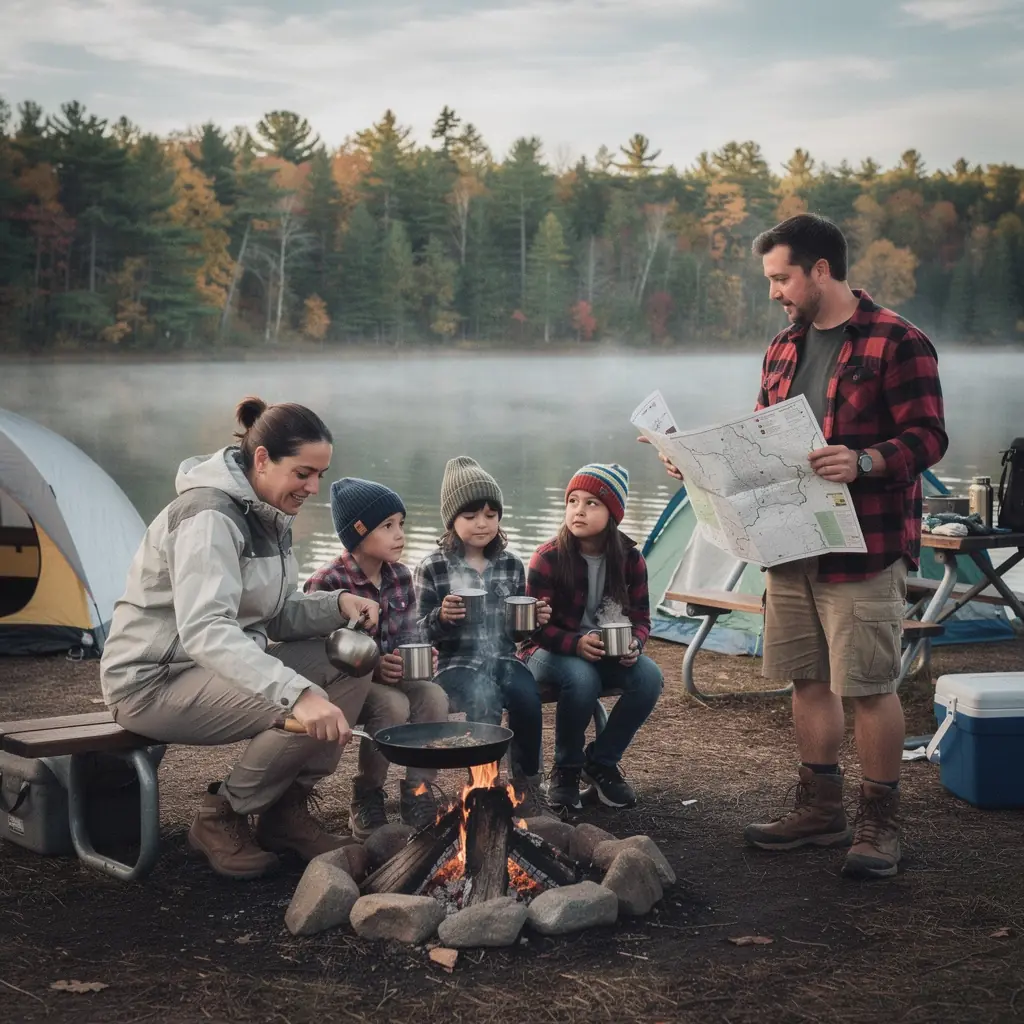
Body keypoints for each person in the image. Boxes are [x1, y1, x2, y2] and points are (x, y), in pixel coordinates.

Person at [649, 213, 947, 878]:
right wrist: (696, 463)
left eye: (782, 277)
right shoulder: (782, 348)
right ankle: (820, 810)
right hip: (788, 543)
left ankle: (879, 824)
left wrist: (864, 462)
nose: (775, 291)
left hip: (863, 547)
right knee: (807, 679)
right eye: (770, 279)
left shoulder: (899, 341)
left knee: (869, 686)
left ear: (820, 269)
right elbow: (761, 443)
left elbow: (930, 437)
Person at [100, 397, 380, 880]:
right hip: (153, 681)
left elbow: (270, 613)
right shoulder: (208, 516)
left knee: (352, 664)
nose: (314, 487)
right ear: (263, 460)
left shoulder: (269, 513)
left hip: (212, 672)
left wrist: (335, 605)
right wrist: (297, 693)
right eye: (304, 473)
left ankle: (285, 812)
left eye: (321, 474)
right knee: (298, 701)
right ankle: (220, 815)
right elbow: (207, 630)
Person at [304, 478, 449, 839]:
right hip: (348, 685)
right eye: (388, 526)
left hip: (389, 674)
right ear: (358, 532)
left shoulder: (399, 576)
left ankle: (418, 790)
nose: (399, 534)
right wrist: (375, 666)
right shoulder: (326, 583)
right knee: (393, 706)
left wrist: (418, 655)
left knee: (434, 696)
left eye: (401, 524)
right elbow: (317, 654)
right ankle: (367, 793)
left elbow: (409, 633)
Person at [523, 463, 663, 812]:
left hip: (604, 653)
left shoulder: (630, 559)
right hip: (546, 651)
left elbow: (641, 617)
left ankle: (600, 762)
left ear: (613, 513)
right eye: (572, 501)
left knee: (649, 677)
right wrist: (575, 644)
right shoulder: (548, 557)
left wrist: (635, 643)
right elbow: (532, 629)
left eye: (591, 503)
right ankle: (566, 770)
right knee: (580, 677)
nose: (578, 511)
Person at [414, 456, 550, 813]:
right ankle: (480, 786)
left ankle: (526, 786)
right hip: (454, 664)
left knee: (526, 699)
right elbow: (416, 630)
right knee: (484, 699)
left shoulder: (511, 564)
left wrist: (532, 620)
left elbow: (517, 636)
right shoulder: (432, 566)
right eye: (471, 516)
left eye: (491, 515)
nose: (482, 524)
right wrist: (441, 617)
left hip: (504, 658)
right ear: (451, 520)